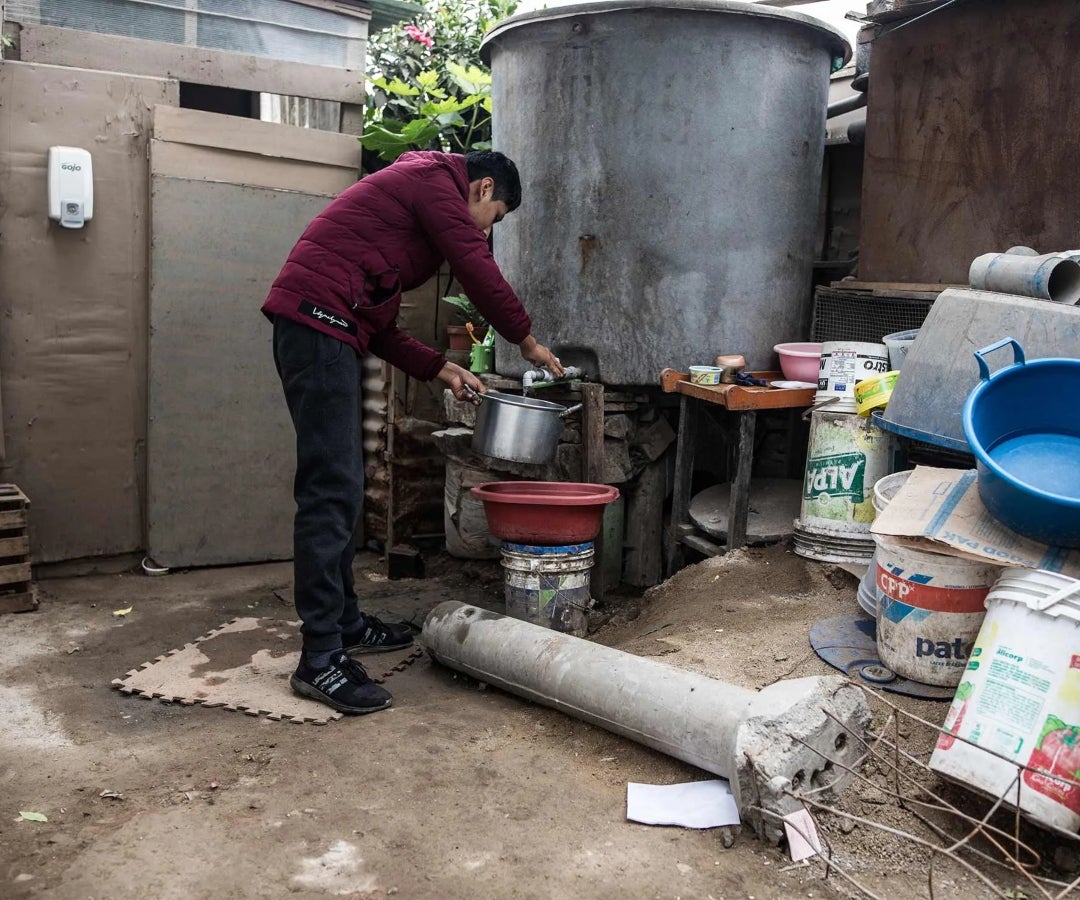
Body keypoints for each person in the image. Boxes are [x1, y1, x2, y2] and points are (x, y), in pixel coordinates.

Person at [262, 150, 564, 716]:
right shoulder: (433, 180)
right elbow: (475, 264)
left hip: (327, 326)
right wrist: (524, 340)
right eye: (495, 216)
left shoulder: (405, 208)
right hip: (314, 325)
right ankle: (320, 658)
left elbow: (377, 325)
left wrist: (440, 366)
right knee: (331, 490)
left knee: (345, 485)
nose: (488, 229)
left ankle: (345, 625)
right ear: (482, 187)